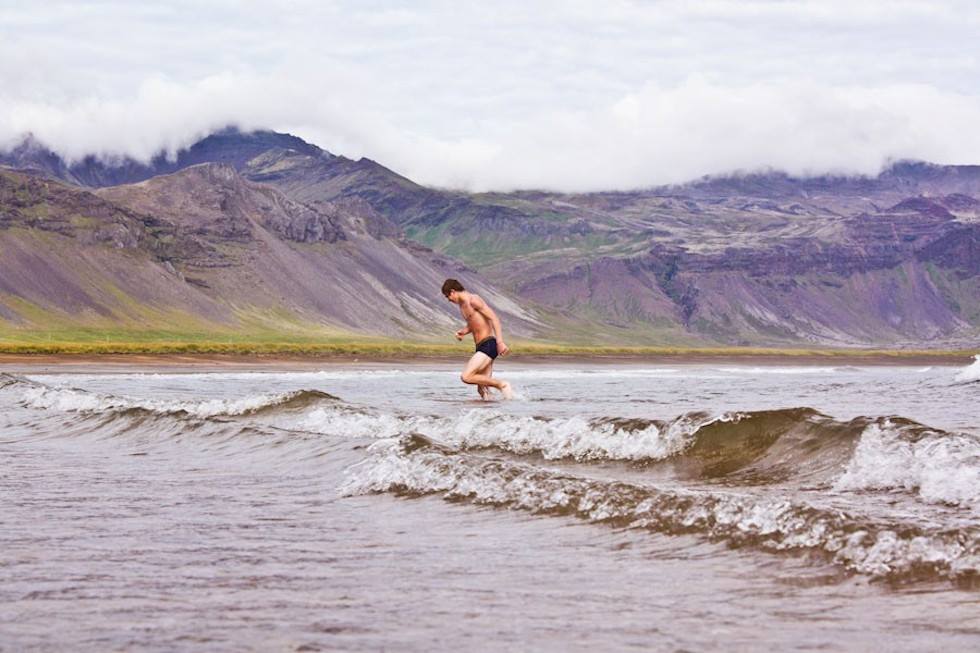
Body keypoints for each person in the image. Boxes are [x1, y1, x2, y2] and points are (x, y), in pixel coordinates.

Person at [442, 278, 514, 400]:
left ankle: (502, 384)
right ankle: (502, 411)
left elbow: (494, 319)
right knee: (483, 391)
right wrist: (464, 331)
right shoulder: (462, 306)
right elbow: (474, 323)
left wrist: (500, 342)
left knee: (467, 376)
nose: (448, 300)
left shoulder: (473, 300)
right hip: (480, 347)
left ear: (453, 291)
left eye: (447, 296)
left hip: (489, 345)